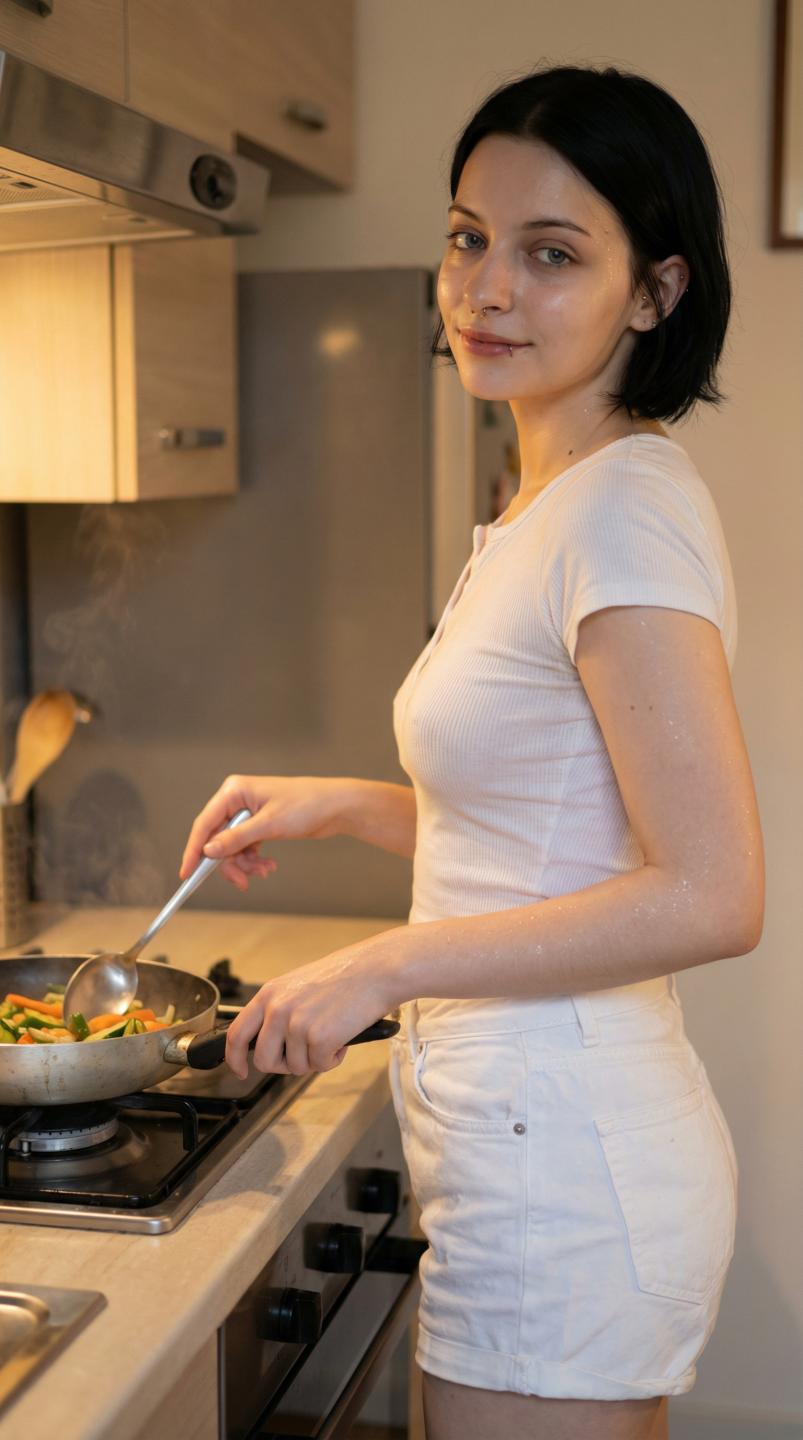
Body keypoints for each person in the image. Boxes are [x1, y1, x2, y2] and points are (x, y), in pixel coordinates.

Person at [180, 63, 764, 1440]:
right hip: (531, 1141)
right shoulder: (552, 499)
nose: (486, 289)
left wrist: (381, 962)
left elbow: (713, 894)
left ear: (654, 291)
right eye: (468, 237)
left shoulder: (618, 514)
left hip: (560, 1164)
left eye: (551, 253)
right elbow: (557, 829)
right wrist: (345, 806)